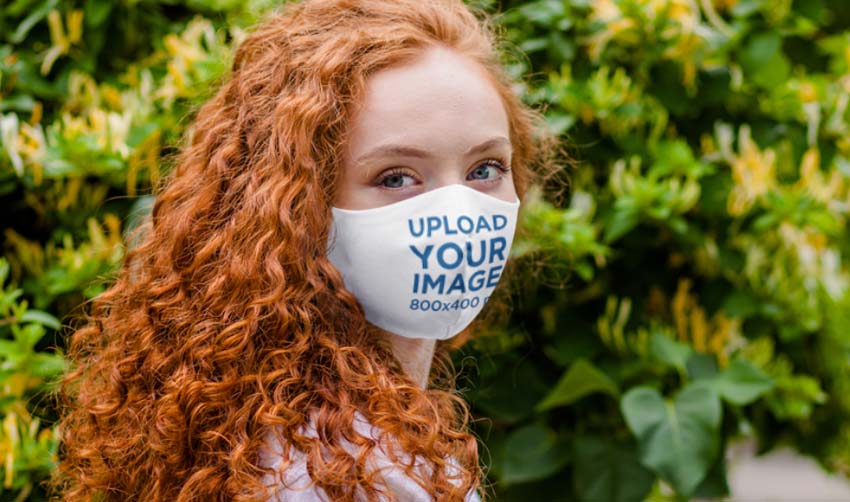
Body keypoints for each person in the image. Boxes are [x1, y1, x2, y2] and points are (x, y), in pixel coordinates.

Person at [49, 0, 556, 500]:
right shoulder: (327, 474)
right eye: (395, 177)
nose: (459, 214)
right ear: (294, 208)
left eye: (485, 169)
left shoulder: (297, 430)